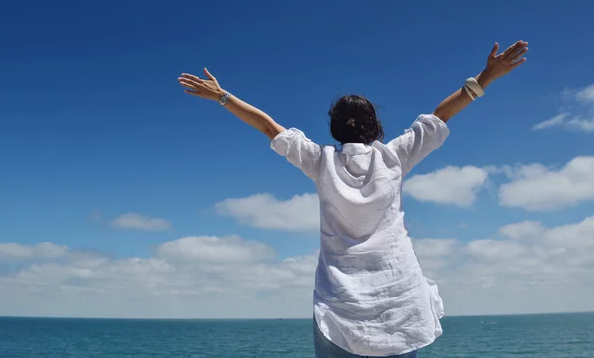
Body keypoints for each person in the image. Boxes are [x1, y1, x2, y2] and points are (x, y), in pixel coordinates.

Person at [178, 40, 528, 358]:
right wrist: (486, 76)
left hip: (339, 305)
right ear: (374, 126)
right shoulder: (395, 157)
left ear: (335, 128)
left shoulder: (320, 161)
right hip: (399, 300)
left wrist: (223, 97)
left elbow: (270, 128)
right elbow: (441, 116)